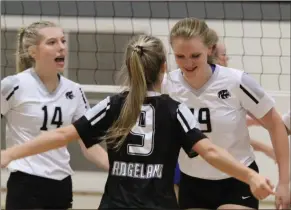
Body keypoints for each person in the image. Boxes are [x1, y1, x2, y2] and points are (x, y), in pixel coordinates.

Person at [1, 35, 275, 209]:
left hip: (115, 204)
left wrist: (10, 153)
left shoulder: (113, 104)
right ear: (164, 68)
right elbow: (211, 151)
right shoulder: (175, 110)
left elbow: (63, 135)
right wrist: (250, 175)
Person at [162, 18, 290, 210]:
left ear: (209, 49)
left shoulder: (236, 81)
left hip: (237, 181)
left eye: (195, 55)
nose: (188, 63)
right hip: (192, 182)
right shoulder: (166, 85)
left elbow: (276, 124)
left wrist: (284, 183)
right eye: (180, 56)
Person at [1, 21, 109, 210]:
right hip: (26, 182)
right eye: (52, 42)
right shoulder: (14, 86)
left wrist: (119, 169)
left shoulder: (74, 90)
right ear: (33, 52)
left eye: (63, 41)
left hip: (61, 183)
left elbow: (88, 144)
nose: (61, 47)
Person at [213, 40, 276, 161]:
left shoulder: (232, 82)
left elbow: (226, 121)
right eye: (223, 54)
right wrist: (266, 149)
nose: (227, 58)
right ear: (211, 55)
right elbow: (221, 130)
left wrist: (255, 121)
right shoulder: (209, 88)